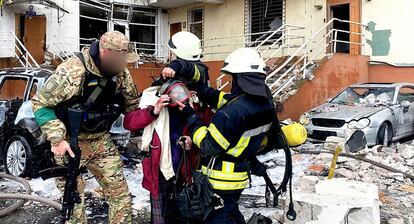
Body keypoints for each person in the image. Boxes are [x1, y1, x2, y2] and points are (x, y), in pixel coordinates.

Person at [32, 31, 143, 224]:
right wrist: (57, 138)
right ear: (107, 53)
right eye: (120, 57)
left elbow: (132, 106)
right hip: (70, 143)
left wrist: (153, 111)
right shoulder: (73, 71)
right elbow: (40, 104)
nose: (123, 63)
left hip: (101, 141)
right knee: (74, 203)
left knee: (120, 196)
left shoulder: (120, 73)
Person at [175, 48, 277, 224]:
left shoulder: (231, 113)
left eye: (233, 78)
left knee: (217, 217)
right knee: (230, 210)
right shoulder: (265, 104)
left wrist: (192, 117)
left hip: (220, 180)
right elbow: (225, 99)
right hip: (238, 176)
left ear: (240, 79)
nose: (231, 82)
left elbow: (208, 145)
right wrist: (201, 90)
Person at [123, 79, 196, 224]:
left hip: (183, 168)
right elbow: (129, 123)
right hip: (158, 170)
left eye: (182, 92)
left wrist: (191, 139)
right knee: (159, 217)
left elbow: (201, 127)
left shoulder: (190, 107)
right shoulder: (154, 104)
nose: (179, 97)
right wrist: (154, 110)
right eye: (175, 94)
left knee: (182, 212)